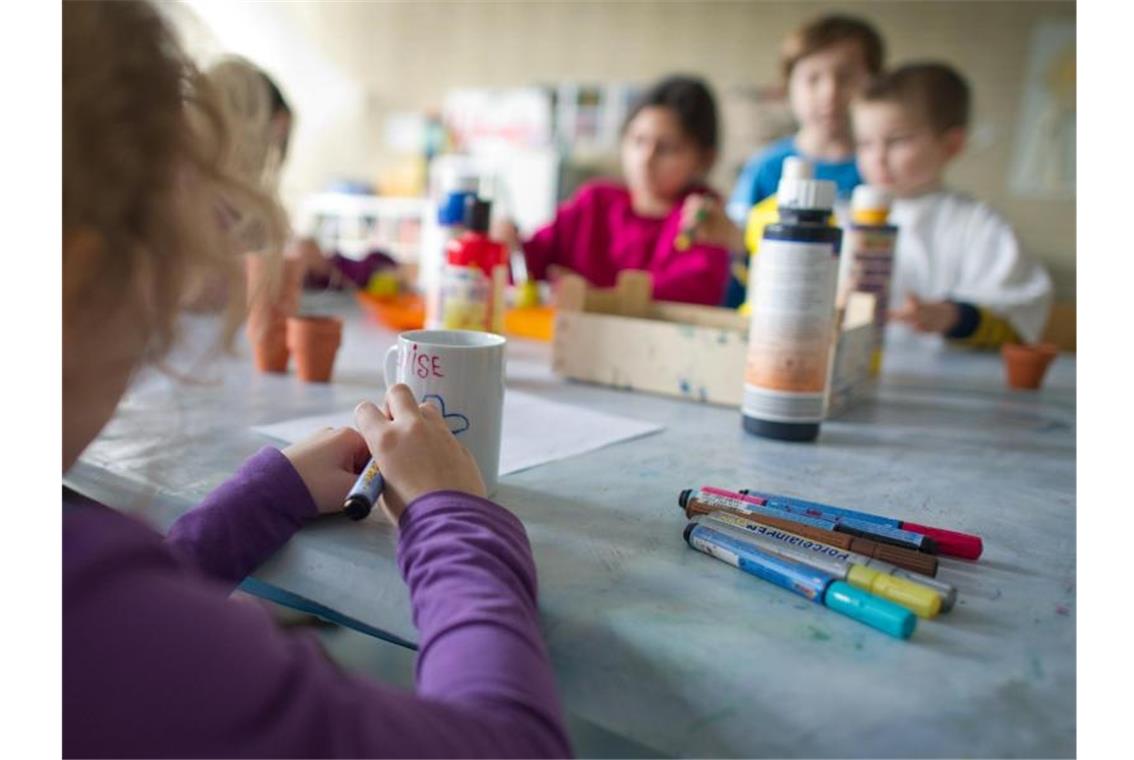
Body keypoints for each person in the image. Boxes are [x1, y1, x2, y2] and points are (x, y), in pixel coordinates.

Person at [62, 2, 572, 756]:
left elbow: (128, 614)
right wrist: (451, 515)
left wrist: (265, 494)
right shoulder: (96, 629)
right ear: (79, 273)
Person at [851, 63, 1054, 345]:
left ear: (951, 145)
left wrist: (954, 316)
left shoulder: (978, 226)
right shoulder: (844, 218)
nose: (878, 157)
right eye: (864, 143)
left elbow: (1019, 311)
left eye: (897, 141)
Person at [493, 75, 737, 306]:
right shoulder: (594, 203)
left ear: (704, 159)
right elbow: (528, 264)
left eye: (667, 148)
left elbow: (693, 294)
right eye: (638, 141)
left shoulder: (704, 222)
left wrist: (595, 298)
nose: (645, 158)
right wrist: (508, 246)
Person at [727, 14, 885, 225]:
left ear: (876, 84)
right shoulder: (767, 168)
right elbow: (737, 239)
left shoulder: (883, 166)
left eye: (846, 77)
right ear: (787, 88)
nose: (830, 93)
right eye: (812, 79)